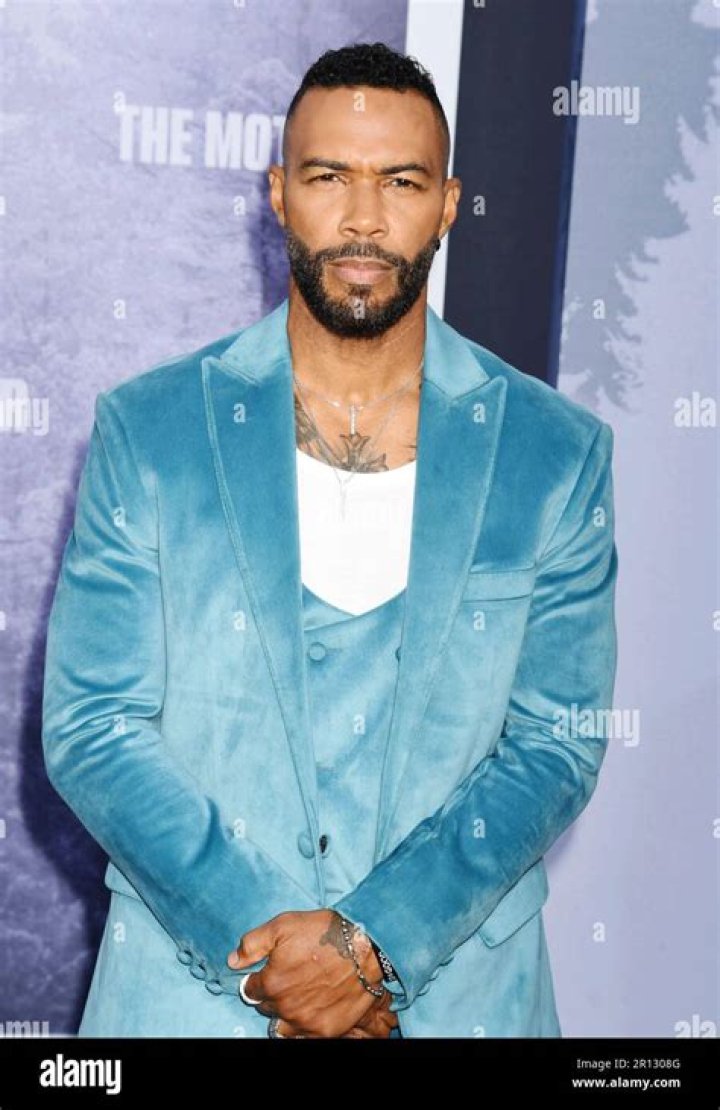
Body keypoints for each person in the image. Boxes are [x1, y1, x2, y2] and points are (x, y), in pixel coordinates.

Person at [41, 42, 618, 1039]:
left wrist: (374, 942)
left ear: (448, 205)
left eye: (401, 182)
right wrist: (283, 962)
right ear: (277, 194)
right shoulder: (152, 429)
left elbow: (555, 743)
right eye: (328, 177)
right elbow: (94, 725)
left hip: (461, 1004)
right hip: (195, 999)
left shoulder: (555, 453)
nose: (362, 218)